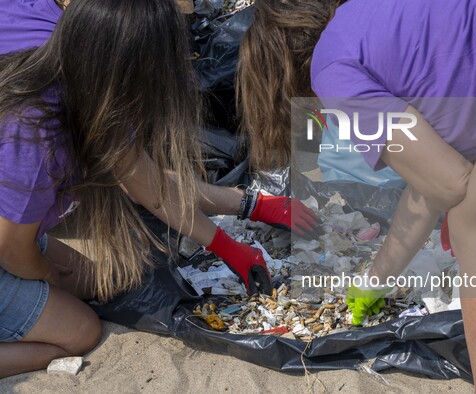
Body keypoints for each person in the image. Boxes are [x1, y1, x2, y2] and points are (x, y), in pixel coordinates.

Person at [236, 0, 476, 392]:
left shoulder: (332, 69)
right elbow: (433, 185)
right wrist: (376, 280)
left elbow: (450, 183)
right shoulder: (371, 22)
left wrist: (466, 209)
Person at [0, 0, 318, 378]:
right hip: (9, 245)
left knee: (101, 282)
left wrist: (232, 239)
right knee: (82, 331)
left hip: (17, 235)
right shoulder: (38, 131)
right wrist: (45, 276)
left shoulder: (91, 79)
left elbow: (147, 182)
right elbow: (12, 250)